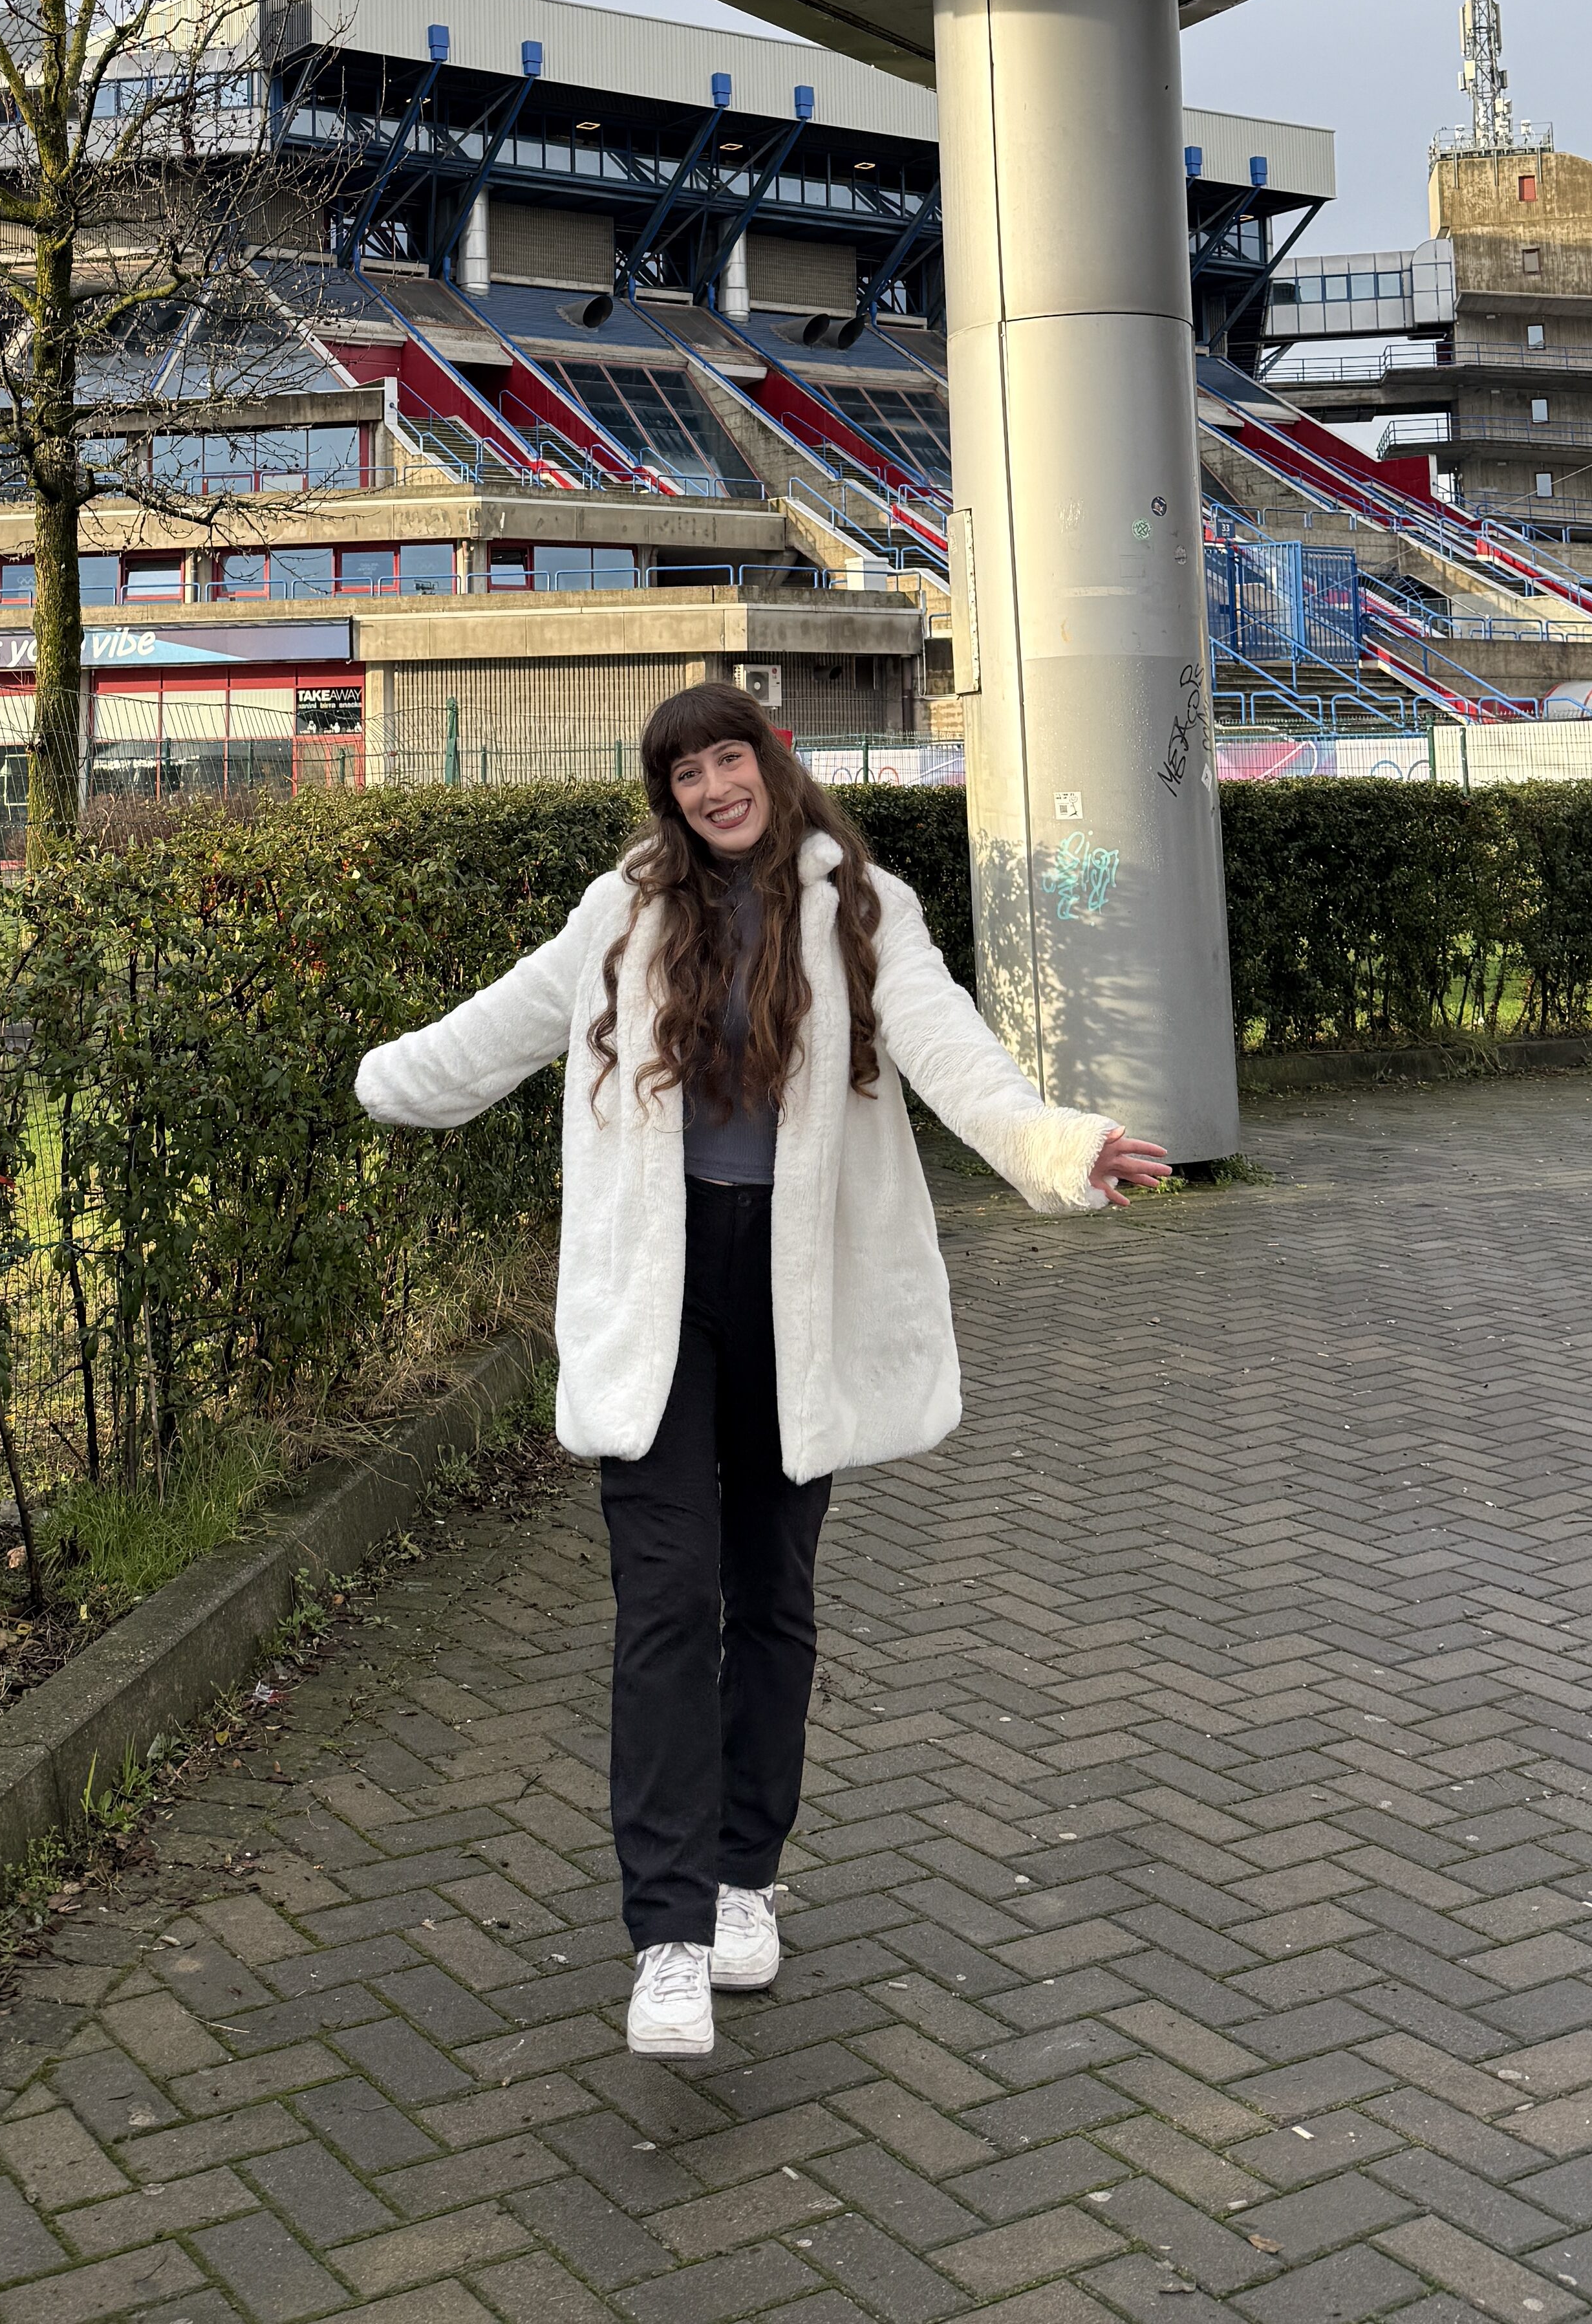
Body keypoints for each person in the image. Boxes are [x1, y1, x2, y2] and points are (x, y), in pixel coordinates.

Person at [356, 682, 1170, 2059]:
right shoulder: (621, 908)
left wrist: (1054, 1144)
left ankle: (746, 1879)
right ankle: (666, 1934)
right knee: (665, 1604)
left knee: (771, 1600)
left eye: (730, 760)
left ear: (768, 765)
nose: (714, 789)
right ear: (666, 795)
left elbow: (946, 1046)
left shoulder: (863, 907)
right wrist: (387, 1080)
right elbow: (504, 1023)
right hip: (658, 1299)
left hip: (798, 1298)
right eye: (685, 775)